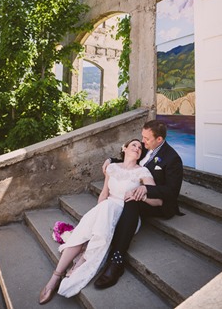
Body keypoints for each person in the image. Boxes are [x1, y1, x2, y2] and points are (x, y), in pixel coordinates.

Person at [39, 138, 162, 304]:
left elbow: (158, 201)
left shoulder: (143, 172)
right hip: (106, 210)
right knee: (87, 226)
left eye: (140, 147)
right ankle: (56, 276)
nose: (138, 148)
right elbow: (104, 194)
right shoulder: (111, 167)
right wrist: (96, 214)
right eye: (134, 145)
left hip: (125, 217)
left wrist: (142, 193)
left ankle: (82, 261)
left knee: (102, 216)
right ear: (124, 148)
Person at [94, 119, 183, 290]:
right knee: (126, 199)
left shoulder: (172, 159)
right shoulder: (146, 149)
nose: (142, 142)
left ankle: (117, 260)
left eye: (146, 139)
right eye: (142, 137)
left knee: (132, 200)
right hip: (134, 196)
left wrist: (146, 190)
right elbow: (130, 158)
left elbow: (172, 192)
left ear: (159, 140)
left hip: (160, 203)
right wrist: (110, 159)